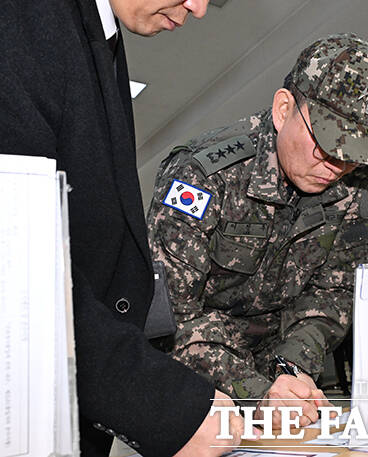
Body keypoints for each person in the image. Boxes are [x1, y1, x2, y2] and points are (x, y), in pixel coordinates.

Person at [0, 0, 251, 456]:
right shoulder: (26, 18)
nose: (197, 8)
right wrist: (161, 405)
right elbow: (12, 262)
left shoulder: (99, 34)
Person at [147, 33, 368, 425]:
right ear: (284, 110)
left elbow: (334, 292)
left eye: (353, 155)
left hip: (282, 382)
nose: (337, 166)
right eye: (327, 145)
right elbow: (171, 316)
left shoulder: (354, 184)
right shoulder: (202, 176)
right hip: (193, 381)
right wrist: (255, 390)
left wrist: (293, 366)